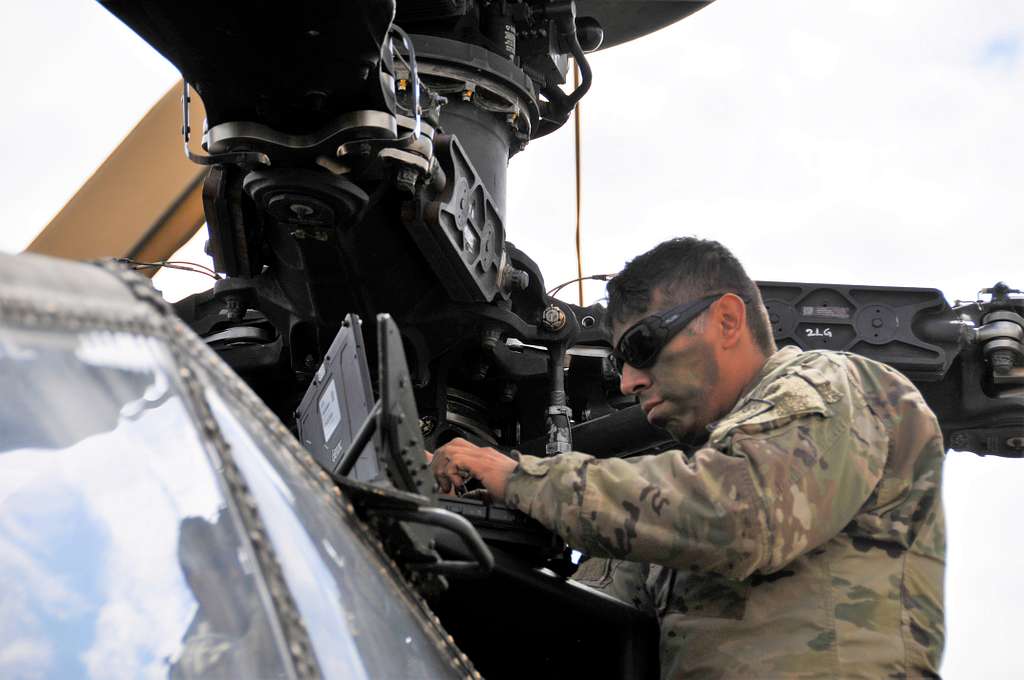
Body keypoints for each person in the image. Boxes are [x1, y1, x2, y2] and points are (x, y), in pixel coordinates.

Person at [430, 237, 945, 678]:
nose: (629, 382)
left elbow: (742, 513)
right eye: (618, 362)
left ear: (725, 320)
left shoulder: (837, 387)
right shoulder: (668, 514)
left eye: (642, 346)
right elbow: (587, 623)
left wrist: (520, 477)